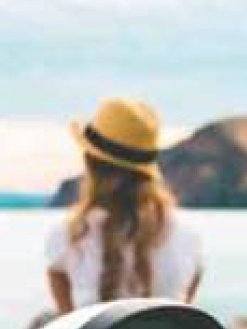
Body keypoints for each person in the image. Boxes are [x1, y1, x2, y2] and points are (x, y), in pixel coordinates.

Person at [44, 98, 203, 315]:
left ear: (90, 164)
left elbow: (70, 324)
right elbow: (185, 308)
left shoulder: (67, 235)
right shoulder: (188, 236)